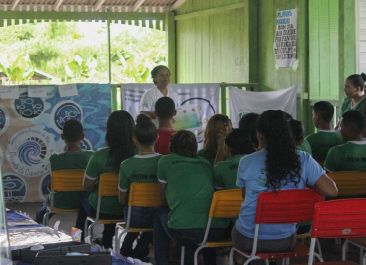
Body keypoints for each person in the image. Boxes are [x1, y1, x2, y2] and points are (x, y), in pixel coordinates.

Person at [233, 110, 337, 253]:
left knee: (241, 244)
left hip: (248, 239)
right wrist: (307, 189)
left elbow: (246, 197)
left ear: (259, 134)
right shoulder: (304, 160)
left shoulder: (247, 161)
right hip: (284, 240)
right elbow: (332, 190)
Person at [154, 130, 226, 265]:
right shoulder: (205, 163)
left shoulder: (165, 161)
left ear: (172, 146)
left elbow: (162, 199)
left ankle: (161, 261)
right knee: (201, 226)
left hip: (184, 230)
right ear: (194, 146)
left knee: (159, 211)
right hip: (214, 230)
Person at [80, 110, 135, 249]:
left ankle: (78, 240)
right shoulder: (138, 156)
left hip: (101, 210)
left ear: (109, 131)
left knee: (84, 200)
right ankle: (106, 238)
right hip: (130, 210)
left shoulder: (98, 156)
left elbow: (87, 186)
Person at [118, 114, 161, 259]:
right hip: (158, 217)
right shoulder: (163, 162)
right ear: (157, 138)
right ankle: (140, 249)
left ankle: (131, 247)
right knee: (155, 214)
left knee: (136, 212)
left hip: (134, 216)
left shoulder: (126, 165)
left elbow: (122, 200)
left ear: (134, 139)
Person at [35, 119, 93, 225]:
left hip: (59, 202)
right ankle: (79, 235)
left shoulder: (54, 159)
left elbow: (52, 184)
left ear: (62, 137)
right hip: (82, 202)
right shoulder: (90, 157)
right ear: (83, 136)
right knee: (86, 201)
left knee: (45, 205)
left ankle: (38, 225)